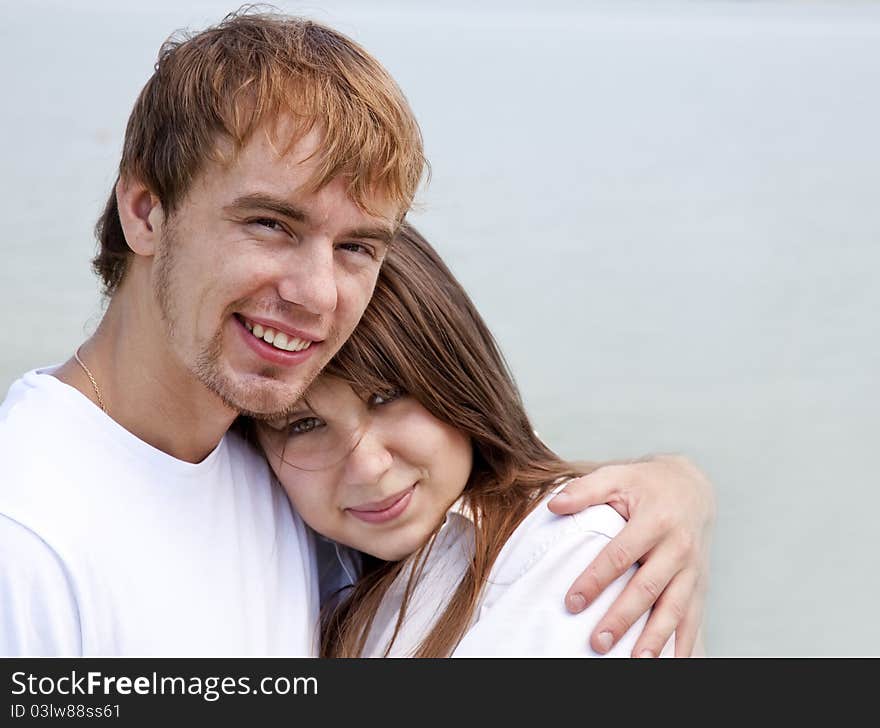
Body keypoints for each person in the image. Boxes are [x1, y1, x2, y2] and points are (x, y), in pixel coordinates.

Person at [0, 10, 713, 656]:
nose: (316, 295)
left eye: (358, 248)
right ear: (146, 211)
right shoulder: (27, 535)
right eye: (270, 224)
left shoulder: (271, 470)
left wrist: (677, 487)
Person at [253, 223, 698, 657]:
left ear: (456, 376)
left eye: (386, 396)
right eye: (303, 425)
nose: (368, 467)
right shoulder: (315, 567)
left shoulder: (579, 556)